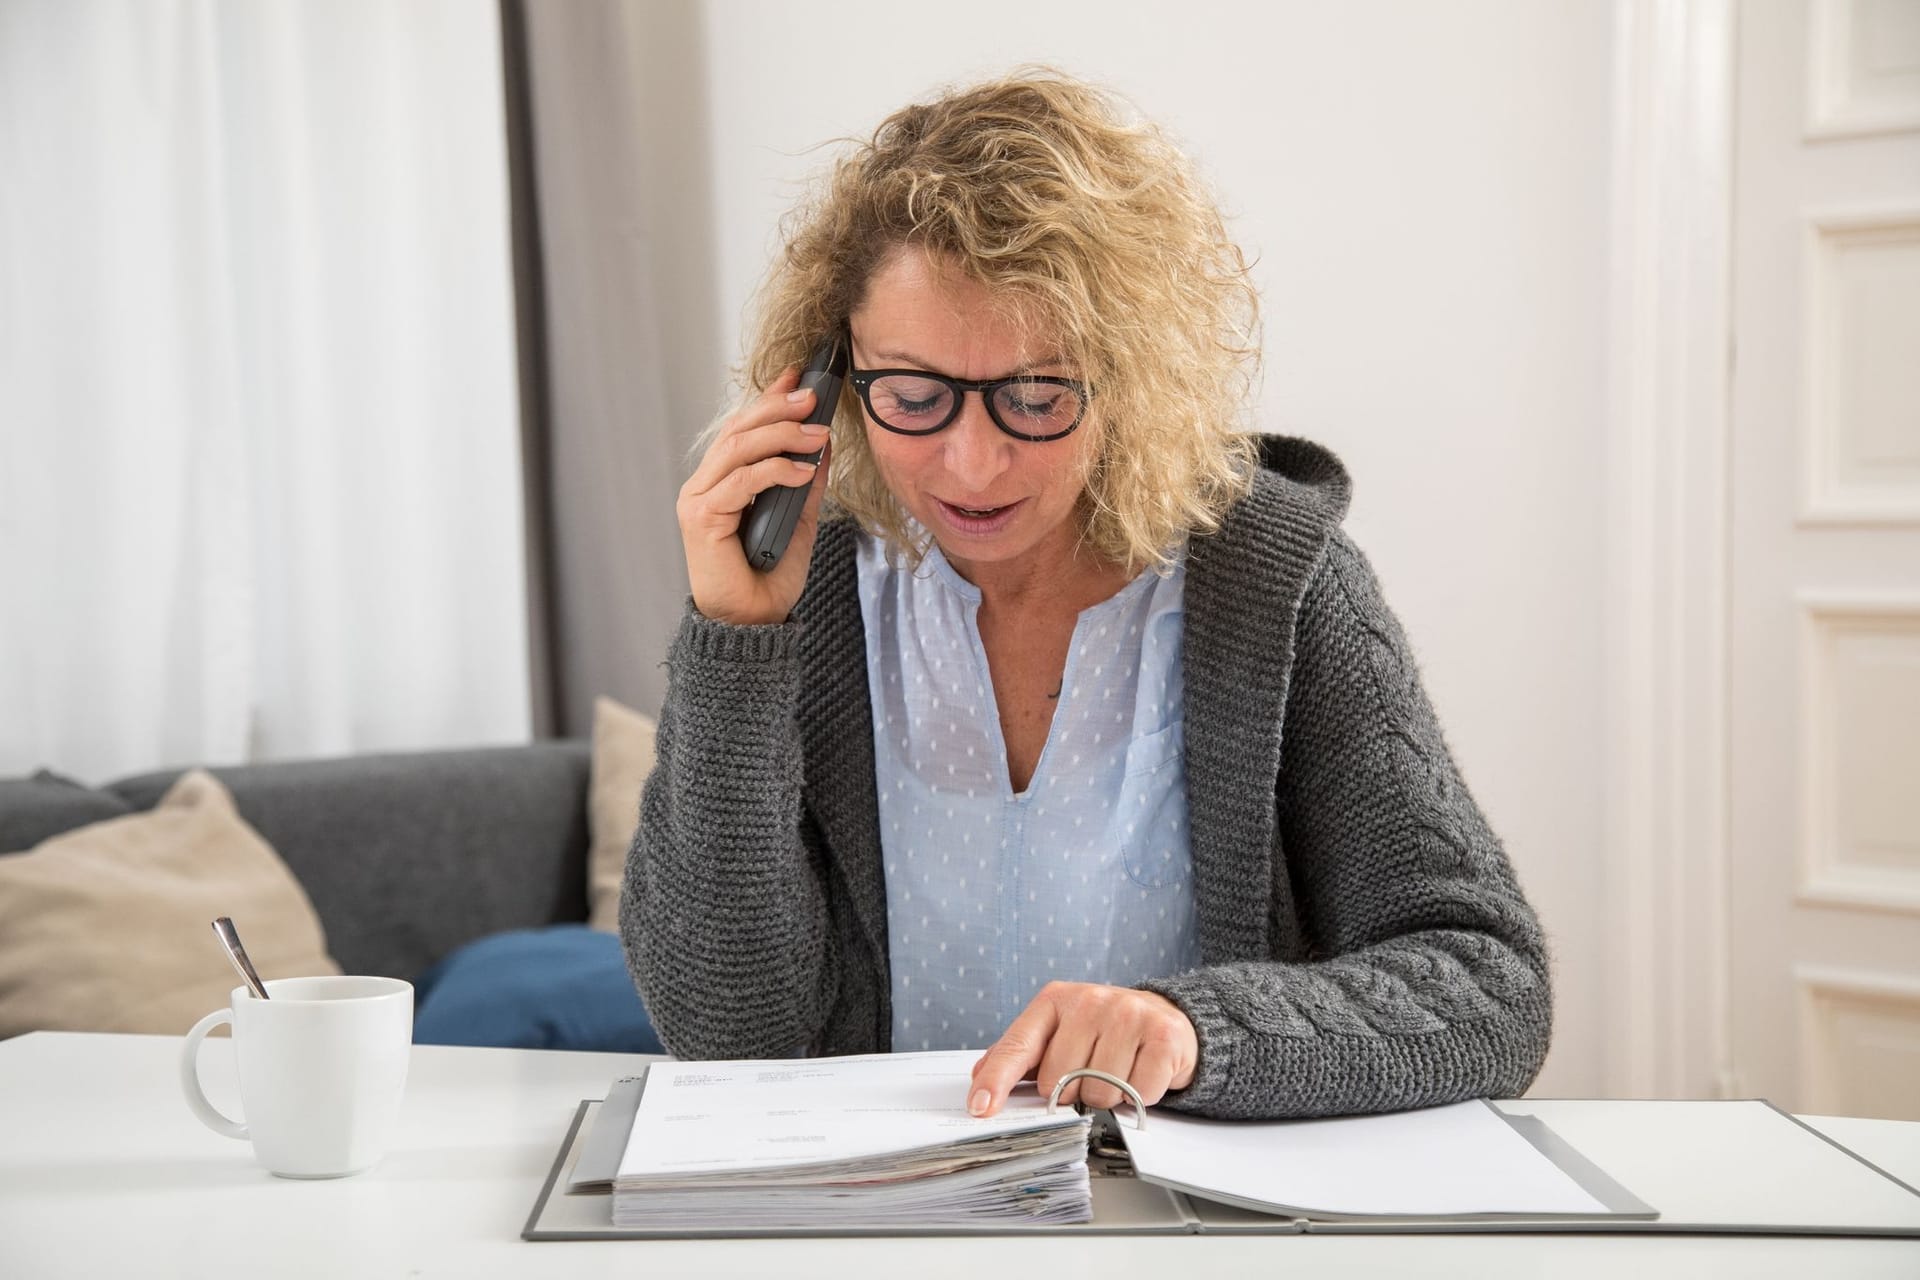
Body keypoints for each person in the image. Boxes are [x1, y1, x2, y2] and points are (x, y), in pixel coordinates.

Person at [623, 69, 1551, 1122]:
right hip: (893, 1226)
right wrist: (736, 639)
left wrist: (1198, 1030)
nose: (972, 465)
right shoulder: (815, 595)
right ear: (835, 376)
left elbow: (1490, 983)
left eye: (1036, 395)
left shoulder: (1275, 588)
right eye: (915, 396)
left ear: (1132, 376)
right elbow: (727, 1034)